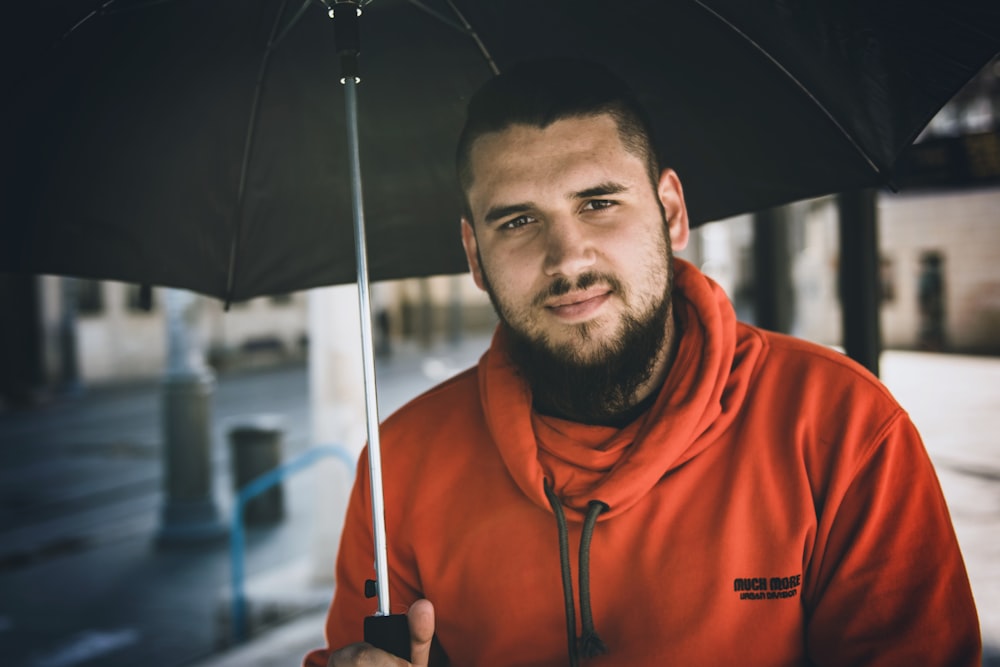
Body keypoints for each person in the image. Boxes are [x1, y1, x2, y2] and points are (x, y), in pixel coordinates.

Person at [305, 59, 980, 666]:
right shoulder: (401, 468)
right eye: (517, 222)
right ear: (475, 256)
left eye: (598, 203)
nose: (567, 256)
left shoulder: (845, 429)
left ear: (671, 211)